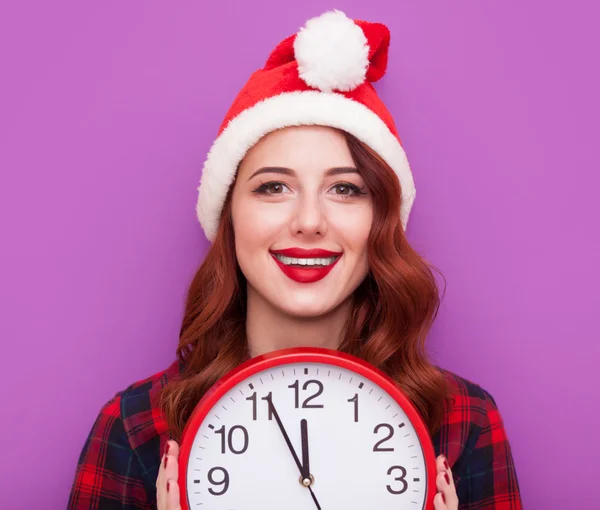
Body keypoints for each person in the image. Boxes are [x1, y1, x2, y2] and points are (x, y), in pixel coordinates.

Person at [67, 10, 522, 510]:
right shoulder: (137, 429)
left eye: (346, 189)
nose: (309, 220)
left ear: (381, 221)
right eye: (273, 187)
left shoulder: (462, 423)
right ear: (229, 217)